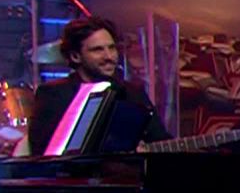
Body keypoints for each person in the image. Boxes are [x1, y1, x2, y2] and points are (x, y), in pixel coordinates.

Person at [26, 15, 169, 155]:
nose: (109, 57)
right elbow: (42, 153)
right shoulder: (53, 94)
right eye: (98, 50)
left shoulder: (133, 93)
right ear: (75, 56)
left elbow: (162, 141)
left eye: (111, 48)